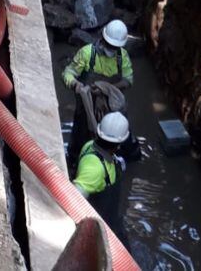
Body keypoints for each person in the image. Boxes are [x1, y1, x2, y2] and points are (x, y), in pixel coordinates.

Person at [62, 19, 133, 170]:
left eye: (115, 47)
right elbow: (68, 73)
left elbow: (128, 80)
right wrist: (76, 84)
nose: (112, 49)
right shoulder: (87, 53)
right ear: (103, 38)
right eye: (109, 45)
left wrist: (106, 88)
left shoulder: (122, 57)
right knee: (79, 142)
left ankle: (123, 164)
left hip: (111, 108)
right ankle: (74, 165)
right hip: (86, 108)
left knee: (123, 139)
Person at [73, 111, 129, 242]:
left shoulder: (90, 145)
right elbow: (74, 198)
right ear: (119, 143)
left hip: (110, 220)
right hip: (101, 228)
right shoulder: (95, 170)